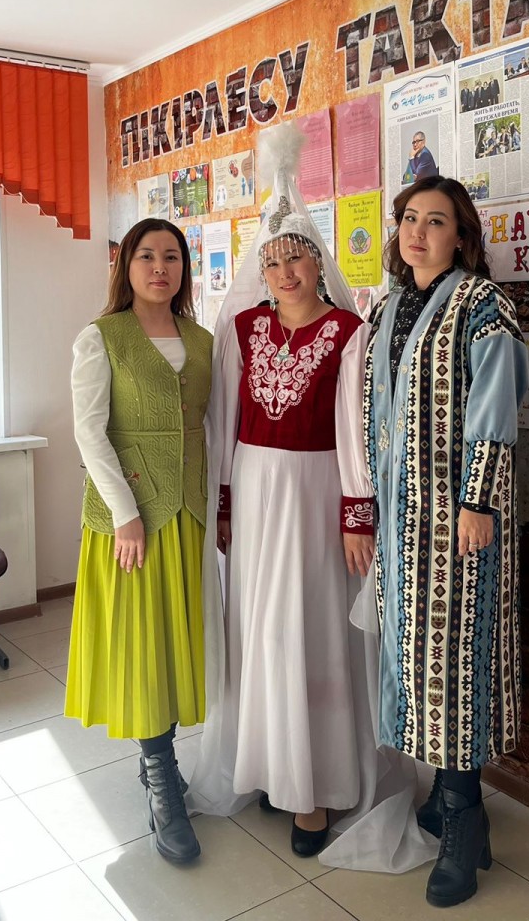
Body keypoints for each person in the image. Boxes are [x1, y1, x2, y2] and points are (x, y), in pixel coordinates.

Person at [188, 123, 435, 873]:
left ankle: (315, 786)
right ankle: (269, 763)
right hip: (254, 495)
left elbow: (358, 432)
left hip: (317, 492)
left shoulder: (347, 331)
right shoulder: (240, 329)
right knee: (259, 631)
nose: (284, 270)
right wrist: (223, 503)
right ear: (259, 270)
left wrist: (357, 515)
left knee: (310, 630)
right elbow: (224, 421)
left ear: (316, 260)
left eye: (295, 256)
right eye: (272, 260)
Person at [364, 175, 529, 908]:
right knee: (417, 661)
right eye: (408, 218)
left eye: (435, 221)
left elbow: (495, 406)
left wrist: (478, 499)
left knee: (458, 664)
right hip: (401, 521)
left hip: (460, 517)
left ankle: (463, 818)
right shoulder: (388, 307)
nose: (417, 232)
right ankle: (444, 798)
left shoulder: (483, 304)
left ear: (461, 236)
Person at [65, 218, 212, 865]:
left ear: (184, 268)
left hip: (188, 513)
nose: (160, 267)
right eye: (147, 256)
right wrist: (125, 514)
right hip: (132, 521)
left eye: (172, 256)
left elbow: (210, 425)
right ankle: (160, 778)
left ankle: (162, 757)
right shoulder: (101, 338)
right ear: (125, 267)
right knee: (144, 643)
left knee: (176, 641)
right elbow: (89, 432)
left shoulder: (202, 340)